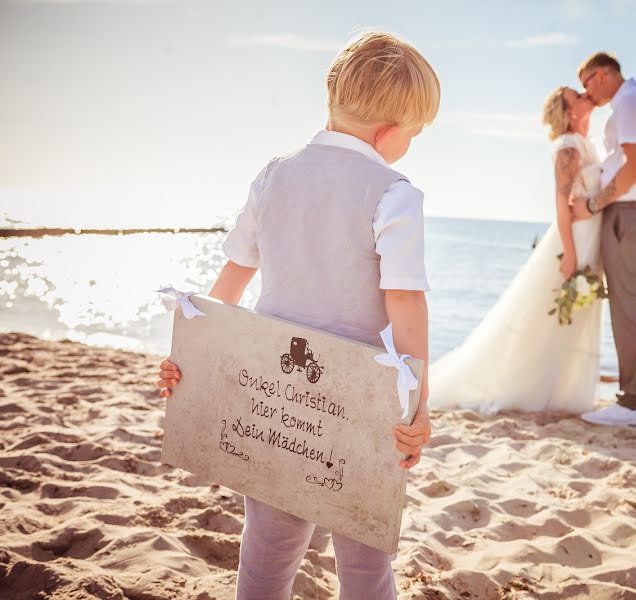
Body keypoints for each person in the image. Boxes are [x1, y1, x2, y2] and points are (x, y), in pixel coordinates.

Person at [155, 31, 439, 600]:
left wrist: (190, 355)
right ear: (389, 133)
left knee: (266, 552)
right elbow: (406, 302)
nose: (409, 144)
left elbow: (233, 276)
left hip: (272, 397)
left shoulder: (273, 176)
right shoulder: (395, 193)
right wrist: (417, 403)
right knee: (364, 556)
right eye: (414, 133)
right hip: (357, 401)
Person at [426, 85, 610, 414]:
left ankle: (559, 393)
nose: (585, 95)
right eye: (576, 96)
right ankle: (526, 389)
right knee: (548, 315)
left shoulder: (588, 144)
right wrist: (569, 252)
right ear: (569, 112)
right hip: (575, 238)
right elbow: (560, 201)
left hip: (591, 237)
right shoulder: (568, 147)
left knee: (574, 316)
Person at [570, 52, 636, 428]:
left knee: (626, 304)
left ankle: (632, 403)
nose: (587, 92)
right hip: (629, 211)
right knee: (626, 303)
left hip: (629, 212)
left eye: (587, 82)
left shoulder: (630, 102)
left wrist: (594, 204)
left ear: (604, 74)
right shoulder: (633, 102)